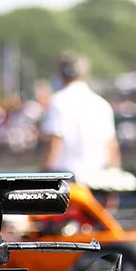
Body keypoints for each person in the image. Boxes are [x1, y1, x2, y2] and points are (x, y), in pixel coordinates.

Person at [41, 54, 119, 183]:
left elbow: (55, 143)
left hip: (68, 183)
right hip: (98, 180)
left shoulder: (58, 102)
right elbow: (111, 146)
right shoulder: (101, 103)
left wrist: (42, 177)